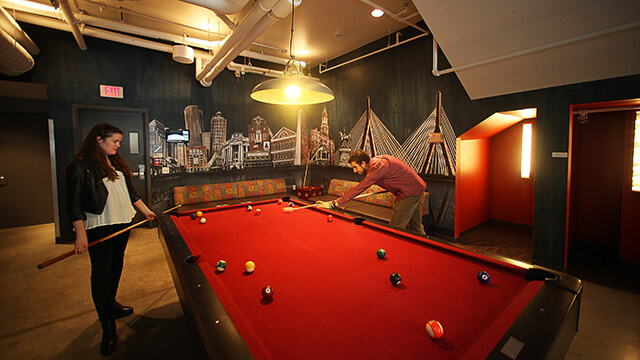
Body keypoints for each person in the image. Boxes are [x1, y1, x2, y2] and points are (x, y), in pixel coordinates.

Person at [66, 123, 155, 356]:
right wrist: (80, 233)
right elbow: (73, 204)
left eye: (118, 141)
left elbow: (131, 194)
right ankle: (107, 323)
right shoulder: (80, 166)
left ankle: (111, 303)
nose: (118, 145)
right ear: (98, 139)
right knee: (101, 271)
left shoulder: (115, 163)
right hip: (99, 226)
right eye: (114, 141)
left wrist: (146, 211)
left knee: (117, 264)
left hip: (122, 223)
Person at [317, 150, 427, 236]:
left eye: (355, 167)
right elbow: (395, 175)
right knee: (416, 227)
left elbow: (358, 189)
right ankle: (425, 250)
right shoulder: (376, 162)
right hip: (418, 189)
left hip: (409, 193)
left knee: (395, 229)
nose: (354, 171)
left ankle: (391, 254)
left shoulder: (376, 168)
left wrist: (333, 204)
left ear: (363, 163)